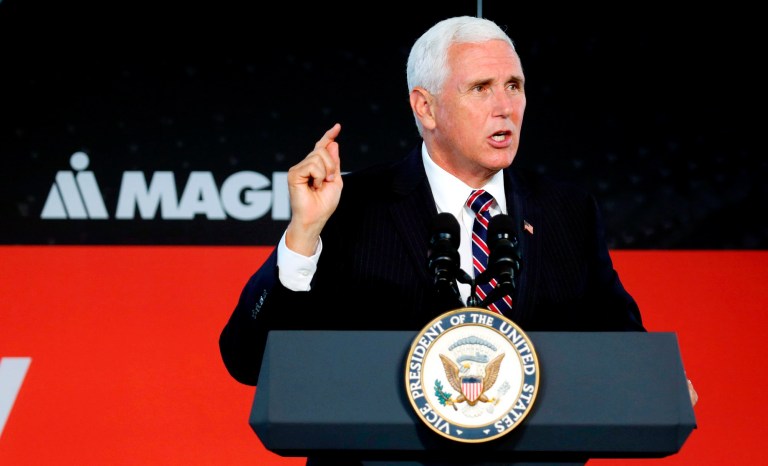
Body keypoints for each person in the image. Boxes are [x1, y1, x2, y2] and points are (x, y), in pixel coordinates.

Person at [220, 14, 694, 423]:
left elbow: (622, 344)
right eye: (481, 88)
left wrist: (658, 385)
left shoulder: (567, 210)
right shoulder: (354, 204)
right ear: (425, 107)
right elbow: (248, 359)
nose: (505, 106)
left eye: (514, 86)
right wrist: (303, 234)